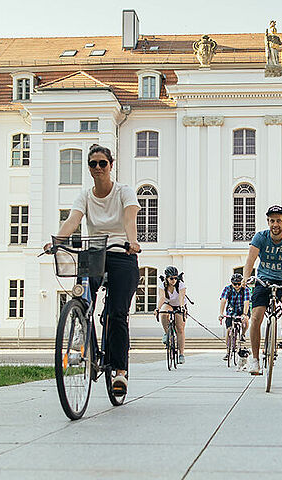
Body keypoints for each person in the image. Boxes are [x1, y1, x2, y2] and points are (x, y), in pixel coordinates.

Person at [46, 144, 141, 396]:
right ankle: (80, 325)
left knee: (117, 313)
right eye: (93, 164)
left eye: (102, 163)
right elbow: (73, 220)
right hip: (96, 252)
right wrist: (57, 241)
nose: (98, 168)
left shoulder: (125, 192)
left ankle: (120, 372)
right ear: (88, 168)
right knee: (82, 293)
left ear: (111, 166)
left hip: (122, 252)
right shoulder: (85, 196)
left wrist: (132, 241)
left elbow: (130, 219)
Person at [240, 205, 282, 375]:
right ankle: (255, 360)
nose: (275, 224)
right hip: (263, 280)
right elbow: (251, 259)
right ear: (268, 222)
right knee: (256, 317)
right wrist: (246, 277)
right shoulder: (260, 237)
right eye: (271, 221)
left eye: (278, 220)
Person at [156, 265, 187, 365]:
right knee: (163, 312)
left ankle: (181, 354)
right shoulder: (162, 285)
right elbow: (162, 298)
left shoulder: (180, 284)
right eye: (171, 278)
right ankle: (166, 333)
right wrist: (158, 308)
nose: (174, 280)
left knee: (180, 329)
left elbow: (182, 297)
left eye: (175, 278)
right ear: (167, 278)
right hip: (168, 304)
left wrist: (182, 308)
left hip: (179, 305)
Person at [219, 272, 250, 361]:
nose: (237, 286)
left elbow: (246, 302)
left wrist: (244, 314)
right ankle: (228, 352)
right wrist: (221, 313)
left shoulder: (246, 290)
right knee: (229, 329)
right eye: (235, 284)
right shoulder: (227, 289)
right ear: (231, 283)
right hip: (231, 311)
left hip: (242, 310)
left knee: (245, 320)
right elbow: (223, 300)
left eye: (239, 284)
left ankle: (243, 334)